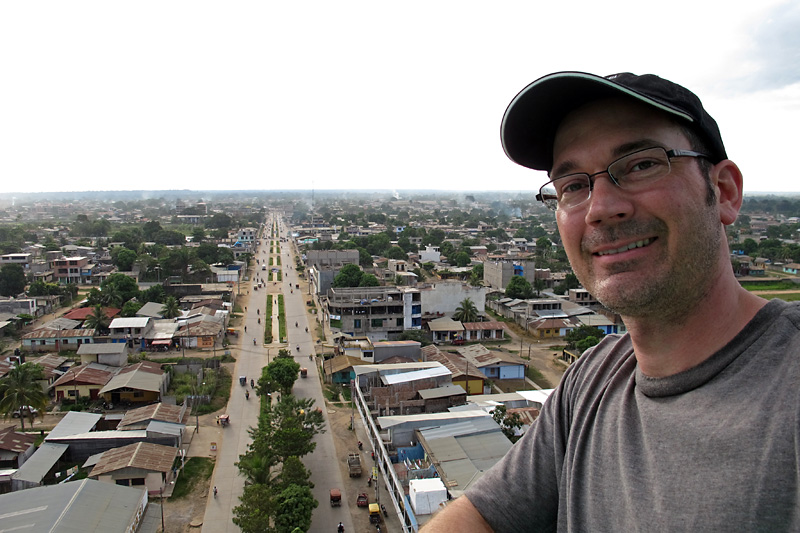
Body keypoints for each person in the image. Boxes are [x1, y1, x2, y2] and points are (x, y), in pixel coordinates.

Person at [422, 71, 800, 532]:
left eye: (641, 164)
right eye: (573, 186)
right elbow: (480, 516)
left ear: (723, 191)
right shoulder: (594, 378)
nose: (601, 207)